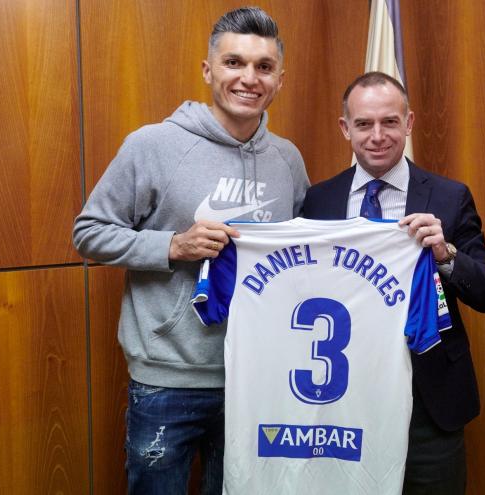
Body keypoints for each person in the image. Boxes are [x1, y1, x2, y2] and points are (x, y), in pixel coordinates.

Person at [73, 7, 309, 494]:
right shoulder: (153, 145)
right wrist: (173, 245)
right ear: (208, 71)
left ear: (280, 79)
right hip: (168, 379)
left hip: (258, 375)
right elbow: (89, 231)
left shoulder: (287, 159)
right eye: (234, 63)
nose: (249, 78)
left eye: (263, 67)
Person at [303, 71, 485, 494]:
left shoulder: (449, 198)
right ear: (345, 128)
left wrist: (446, 254)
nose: (377, 136)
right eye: (363, 124)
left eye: (389, 122)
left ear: (409, 123)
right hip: (342, 402)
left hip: (428, 407)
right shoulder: (318, 201)